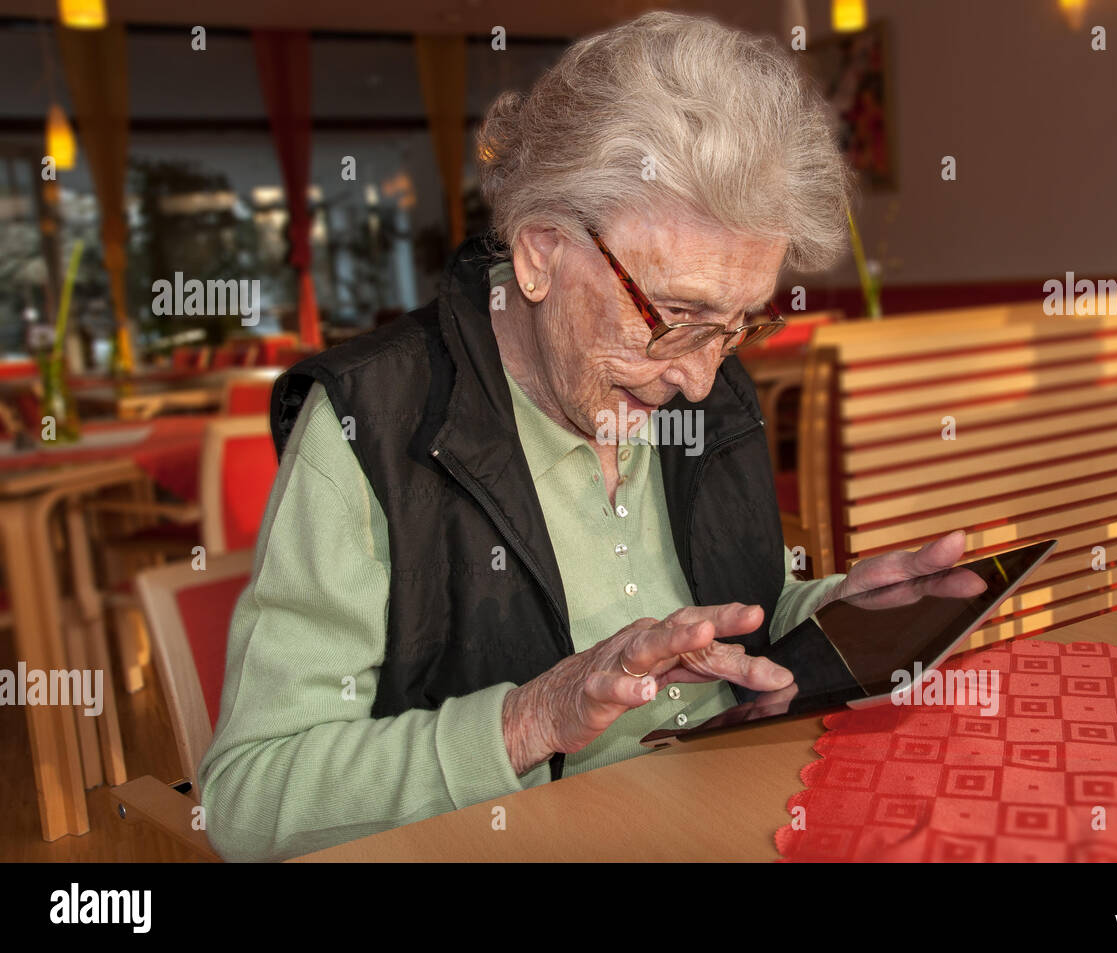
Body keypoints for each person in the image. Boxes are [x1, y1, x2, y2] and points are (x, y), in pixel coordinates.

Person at [197, 10, 969, 861]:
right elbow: (246, 798)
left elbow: (731, 619)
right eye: (674, 316)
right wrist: (531, 720)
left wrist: (842, 612)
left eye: (740, 324)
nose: (701, 378)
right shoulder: (367, 428)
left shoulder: (699, 383)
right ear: (539, 252)